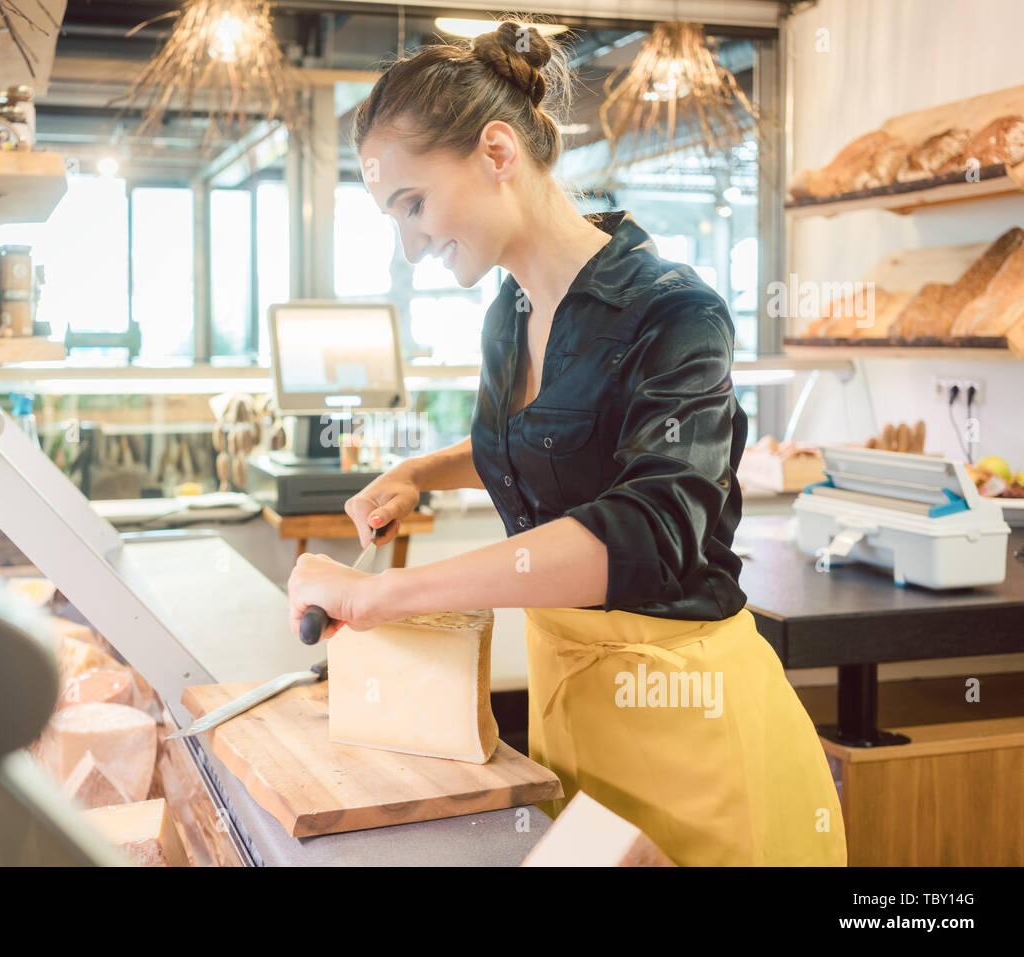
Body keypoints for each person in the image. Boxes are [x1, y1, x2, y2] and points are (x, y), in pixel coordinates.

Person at [286, 21, 846, 866]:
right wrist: (419, 473)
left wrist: (381, 598)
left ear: (498, 151)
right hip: (571, 719)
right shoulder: (507, 315)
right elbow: (541, 444)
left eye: (413, 203)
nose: (408, 244)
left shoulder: (673, 310)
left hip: (694, 734)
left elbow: (645, 527)